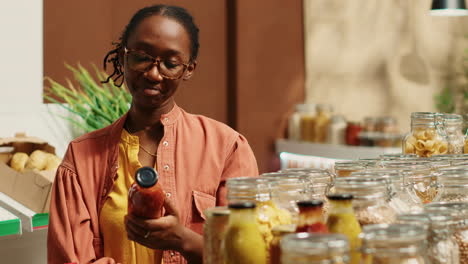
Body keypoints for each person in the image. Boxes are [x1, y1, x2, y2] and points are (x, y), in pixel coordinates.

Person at [47, 4, 258, 264]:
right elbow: (69, 258)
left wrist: (182, 239)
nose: (153, 73)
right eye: (140, 57)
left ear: (188, 69)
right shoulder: (81, 159)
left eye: (170, 63)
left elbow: (247, 257)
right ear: (123, 57)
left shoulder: (227, 149)